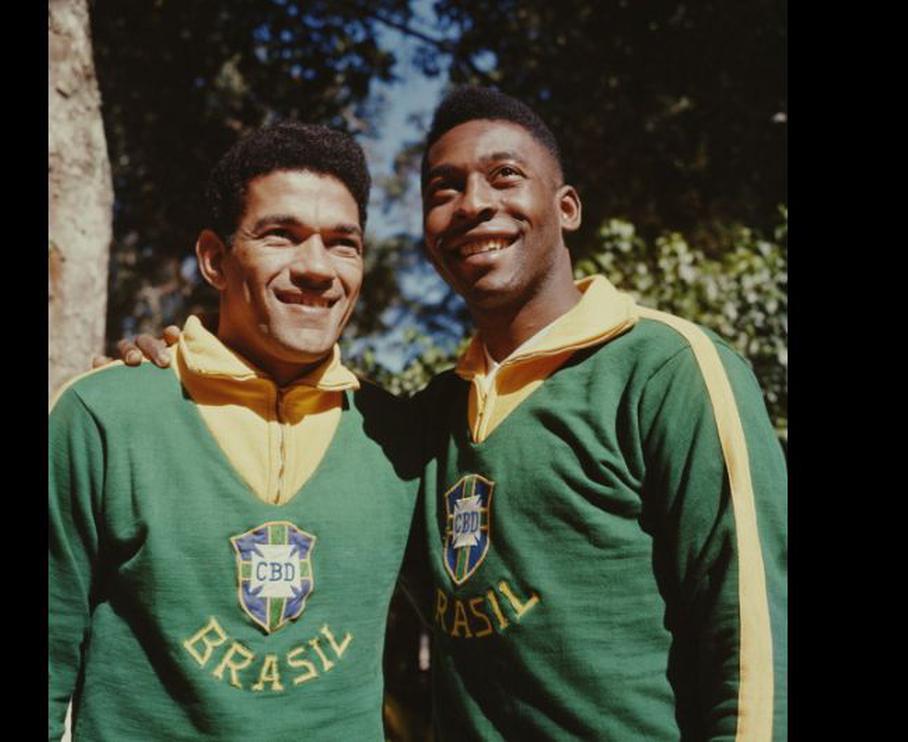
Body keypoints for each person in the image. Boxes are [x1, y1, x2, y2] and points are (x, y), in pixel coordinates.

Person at [124, 87, 788, 740]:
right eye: (443, 190)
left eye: (504, 176)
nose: (472, 204)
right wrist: (184, 367)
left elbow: (755, 641)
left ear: (567, 207)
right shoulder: (417, 425)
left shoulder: (666, 370)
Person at [49, 122, 420, 741]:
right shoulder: (105, 416)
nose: (316, 269)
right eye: (281, 235)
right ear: (215, 260)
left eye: (343, 243)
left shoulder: (399, 438)